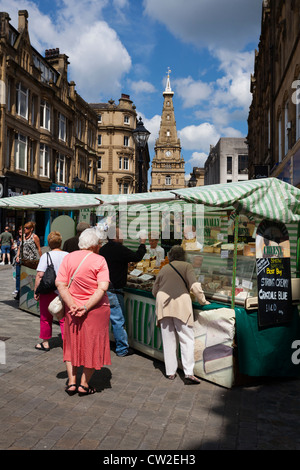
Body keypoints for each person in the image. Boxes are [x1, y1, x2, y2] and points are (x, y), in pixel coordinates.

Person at [55, 228, 111, 396]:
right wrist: (86, 306)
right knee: (92, 346)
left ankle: (72, 383)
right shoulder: (100, 260)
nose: (100, 246)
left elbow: (60, 284)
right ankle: (84, 384)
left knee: (71, 344)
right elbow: (102, 288)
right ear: (94, 245)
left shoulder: (68, 258)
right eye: (99, 243)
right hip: (95, 310)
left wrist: (72, 304)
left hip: (72, 310)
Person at [152, 245, 209, 384]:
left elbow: (154, 290)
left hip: (163, 304)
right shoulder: (187, 266)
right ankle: (188, 373)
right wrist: (203, 300)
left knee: (168, 339)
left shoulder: (165, 268)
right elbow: (194, 285)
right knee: (186, 338)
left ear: (170, 255)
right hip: (180, 305)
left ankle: (170, 372)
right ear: (183, 255)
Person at [99, 226, 146, 357]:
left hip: (104, 288)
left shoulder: (103, 249)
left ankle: (106, 343)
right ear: (116, 237)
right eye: (122, 235)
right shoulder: (118, 249)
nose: (123, 237)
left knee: (107, 320)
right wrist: (142, 243)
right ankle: (122, 349)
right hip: (114, 290)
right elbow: (137, 256)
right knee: (118, 320)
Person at [34, 231, 68, 352]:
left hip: (48, 290)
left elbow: (40, 275)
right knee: (64, 318)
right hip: (63, 290)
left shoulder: (46, 256)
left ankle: (45, 343)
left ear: (49, 243)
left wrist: (36, 290)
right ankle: (67, 343)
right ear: (60, 242)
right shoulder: (68, 255)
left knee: (45, 317)